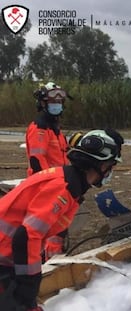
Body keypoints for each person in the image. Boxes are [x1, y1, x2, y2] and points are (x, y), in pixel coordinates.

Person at [0, 128, 124, 311]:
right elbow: (26, 236)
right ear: (101, 166)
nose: (109, 172)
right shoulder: (63, 189)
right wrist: (29, 282)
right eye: (110, 166)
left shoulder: (68, 183)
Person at [25, 82, 72, 263]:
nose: (57, 105)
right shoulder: (40, 128)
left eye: (59, 102)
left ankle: (55, 257)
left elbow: (62, 156)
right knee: (49, 227)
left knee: (60, 227)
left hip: (60, 183)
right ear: (43, 103)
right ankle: (49, 262)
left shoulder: (55, 128)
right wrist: (49, 186)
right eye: (53, 102)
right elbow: (37, 161)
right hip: (46, 185)